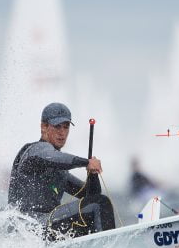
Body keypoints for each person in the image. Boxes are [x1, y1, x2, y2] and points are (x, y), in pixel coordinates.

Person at [8, 102, 116, 238]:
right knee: (100, 203)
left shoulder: (60, 173)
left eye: (66, 127)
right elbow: (52, 157)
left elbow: (91, 195)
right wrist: (86, 162)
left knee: (96, 204)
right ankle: (109, 247)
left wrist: (93, 175)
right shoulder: (35, 150)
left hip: (43, 231)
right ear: (44, 127)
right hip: (30, 227)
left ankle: (97, 247)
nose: (62, 132)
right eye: (57, 126)